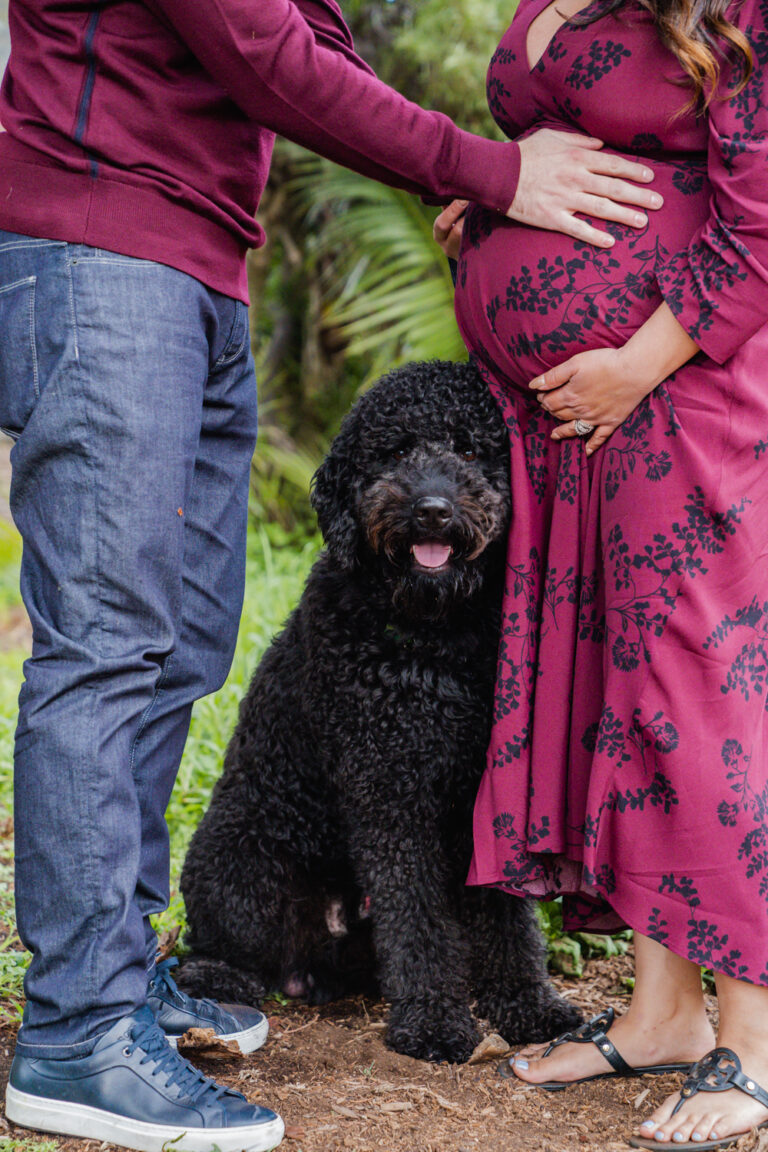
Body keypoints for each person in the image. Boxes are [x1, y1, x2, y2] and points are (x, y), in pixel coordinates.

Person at [0, 0, 665, 1149]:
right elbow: (263, 52)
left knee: (182, 643)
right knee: (110, 646)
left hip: (197, 261)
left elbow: (313, 38)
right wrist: (491, 168)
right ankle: (74, 1035)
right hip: (102, 244)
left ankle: (113, 970)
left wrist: (448, 175)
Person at [434, 0, 768, 1148]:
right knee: (626, 694)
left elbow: (763, 208)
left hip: (687, 385)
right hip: (583, 424)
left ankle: (757, 1038)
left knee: (697, 690)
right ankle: (665, 1012)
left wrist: (633, 361)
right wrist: (488, 199)